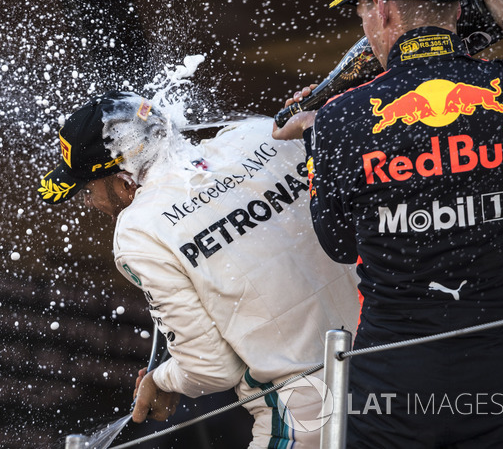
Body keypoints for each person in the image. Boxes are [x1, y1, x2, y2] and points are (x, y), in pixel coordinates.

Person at [272, 0, 503, 448]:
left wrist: (320, 138)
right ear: (457, 12)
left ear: (380, 11)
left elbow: (339, 244)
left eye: (362, 12)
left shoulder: (338, 120)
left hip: (397, 381)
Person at [38, 91, 359, 448]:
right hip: (402, 372)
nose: (89, 202)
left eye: (87, 190)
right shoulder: (258, 133)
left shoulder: (138, 228)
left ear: (125, 181)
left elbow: (211, 367)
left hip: (310, 413)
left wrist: (162, 381)